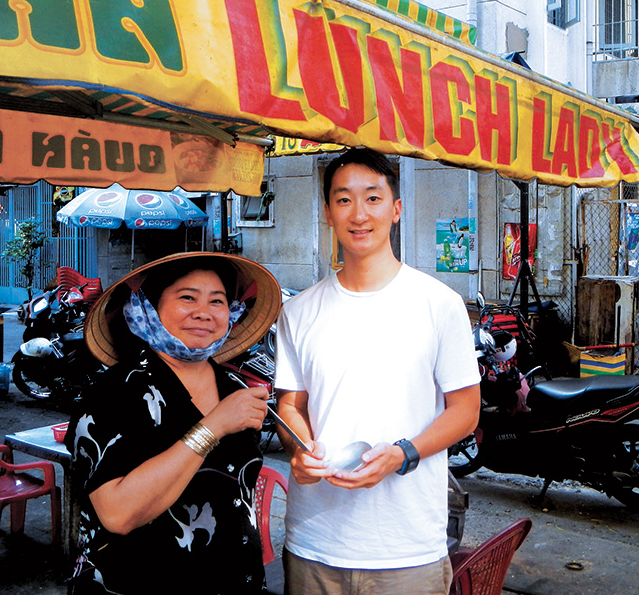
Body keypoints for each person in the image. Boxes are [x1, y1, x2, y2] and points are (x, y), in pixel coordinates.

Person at [274, 148, 481, 595]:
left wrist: (403, 454)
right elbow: (291, 404)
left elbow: (465, 410)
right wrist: (300, 448)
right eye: (344, 200)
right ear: (328, 213)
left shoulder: (438, 304)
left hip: (406, 548)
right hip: (314, 543)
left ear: (396, 209)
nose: (359, 213)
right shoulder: (298, 310)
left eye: (373, 197)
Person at [67, 253, 282, 594]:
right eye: (187, 297)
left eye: (217, 301)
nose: (203, 312)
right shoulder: (113, 392)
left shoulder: (235, 389)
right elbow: (118, 514)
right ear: (148, 307)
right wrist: (212, 428)